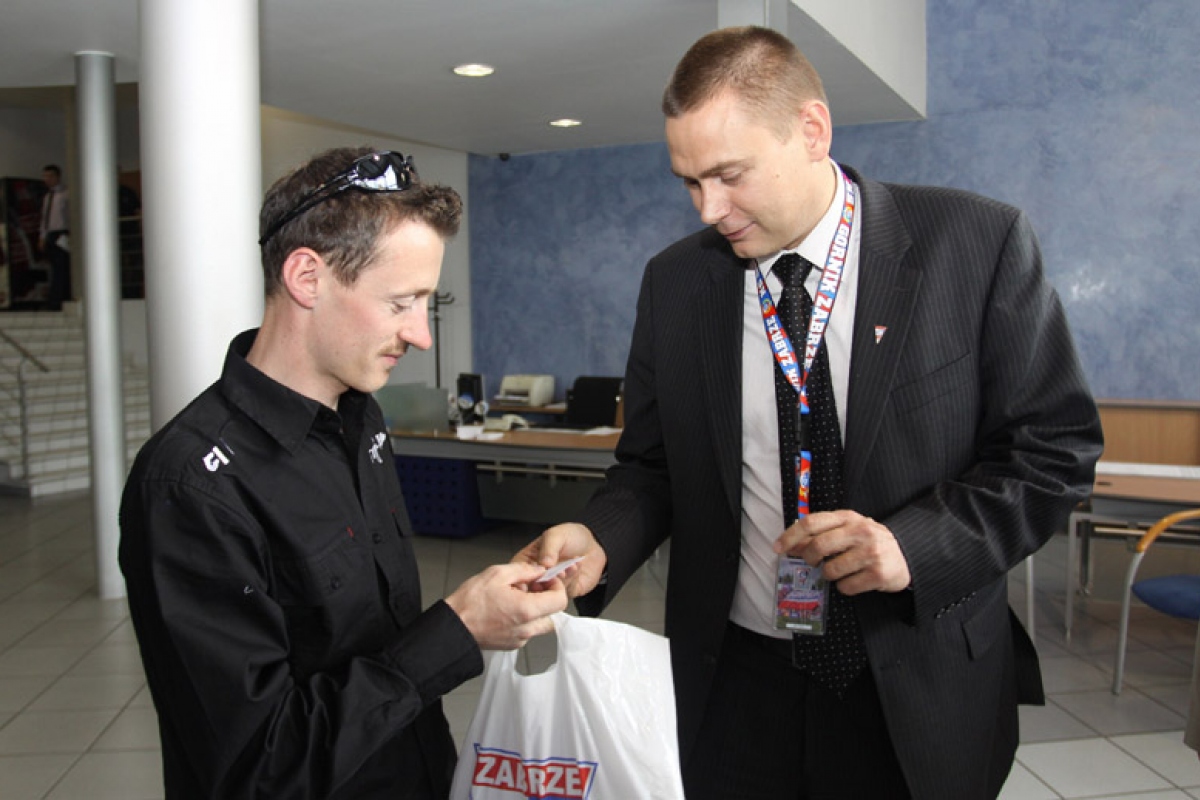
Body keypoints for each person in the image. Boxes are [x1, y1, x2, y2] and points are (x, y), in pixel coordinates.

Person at [518, 26, 1104, 800]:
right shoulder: (677, 283)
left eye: (729, 175)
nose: (709, 209)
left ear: (812, 130)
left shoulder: (975, 244)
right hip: (735, 681)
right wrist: (599, 540)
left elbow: (1053, 452)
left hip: (913, 674)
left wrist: (912, 547)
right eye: (689, 182)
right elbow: (652, 467)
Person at [120, 146, 569, 800]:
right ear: (307, 277)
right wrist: (458, 630)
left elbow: (372, 638)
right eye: (401, 303)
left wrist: (481, 609)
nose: (421, 335)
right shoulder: (191, 485)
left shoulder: (363, 419)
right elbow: (257, 768)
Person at [37, 163, 70, 309]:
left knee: (61, 267)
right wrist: (42, 236)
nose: (47, 179)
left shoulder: (66, 194)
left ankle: (58, 299)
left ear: (57, 177)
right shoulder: (47, 196)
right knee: (54, 267)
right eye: (45, 176)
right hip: (50, 233)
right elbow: (45, 218)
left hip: (62, 233)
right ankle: (54, 298)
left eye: (50, 176)